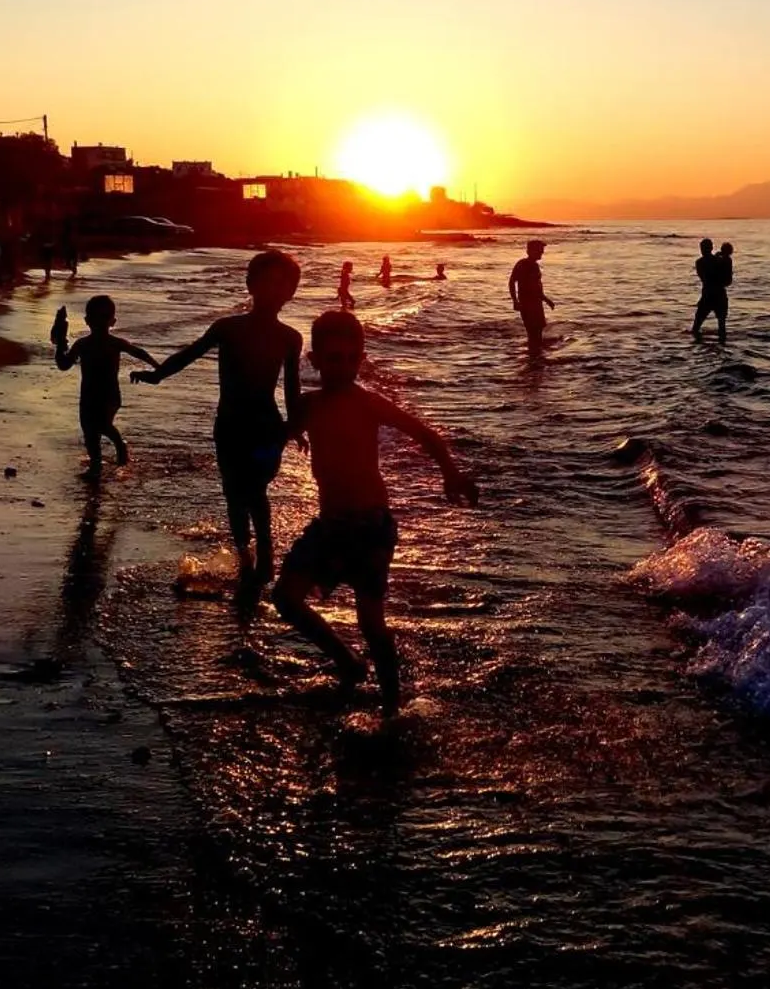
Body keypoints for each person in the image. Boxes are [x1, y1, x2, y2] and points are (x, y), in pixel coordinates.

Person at [272, 309, 477, 713]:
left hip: (370, 526)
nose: (343, 366)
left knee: (371, 622)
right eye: (333, 358)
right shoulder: (308, 406)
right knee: (286, 598)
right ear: (315, 361)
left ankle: (391, 706)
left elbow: (426, 433)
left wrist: (451, 475)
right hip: (329, 525)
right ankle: (347, 661)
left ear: (361, 359)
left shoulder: (368, 403)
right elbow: (278, 436)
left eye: (352, 358)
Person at [132, 250, 304, 594]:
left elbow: (292, 386)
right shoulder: (228, 328)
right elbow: (190, 353)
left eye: (282, 285)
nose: (273, 291)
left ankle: (266, 551)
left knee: (254, 490)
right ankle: (245, 557)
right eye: (266, 282)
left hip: (267, 428)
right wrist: (158, 375)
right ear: (250, 285)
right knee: (232, 493)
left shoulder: (290, 337)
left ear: (291, 292)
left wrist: (296, 426)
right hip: (229, 427)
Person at [53, 295, 156, 481]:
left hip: (110, 396)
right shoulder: (82, 344)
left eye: (104, 317)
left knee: (103, 424)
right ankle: (95, 464)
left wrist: (158, 367)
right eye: (95, 318)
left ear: (112, 321)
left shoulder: (115, 343)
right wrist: (60, 343)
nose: (100, 322)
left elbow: (138, 352)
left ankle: (120, 446)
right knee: (89, 431)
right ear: (87, 321)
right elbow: (64, 364)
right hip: (88, 397)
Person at [509, 239, 555, 343]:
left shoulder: (535, 266)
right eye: (540, 250)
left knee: (538, 329)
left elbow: (537, 287)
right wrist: (515, 301)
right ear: (530, 251)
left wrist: (546, 300)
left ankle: (535, 356)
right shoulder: (523, 264)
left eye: (542, 250)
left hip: (536, 303)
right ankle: (533, 355)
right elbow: (512, 282)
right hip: (527, 304)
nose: (542, 252)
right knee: (533, 331)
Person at [691, 237, 731, 339]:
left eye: (704, 248)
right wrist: (725, 260)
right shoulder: (719, 261)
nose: (702, 250)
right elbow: (726, 281)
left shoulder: (700, 262)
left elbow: (726, 281)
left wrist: (723, 260)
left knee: (697, 327)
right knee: (721, 328)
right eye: (702, 248)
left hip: (709, 296)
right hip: (716, 295)